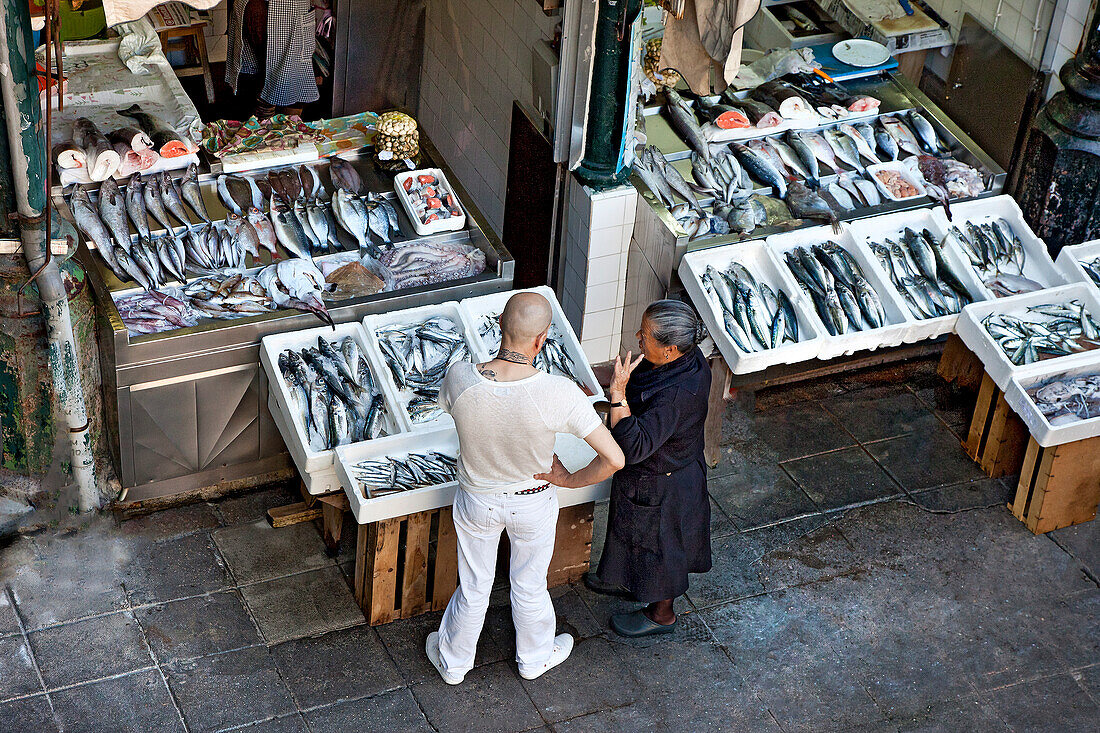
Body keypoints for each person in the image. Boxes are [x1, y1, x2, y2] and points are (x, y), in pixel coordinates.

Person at [426, 292, 625, 684]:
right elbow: (615, 459)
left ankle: (453, 663)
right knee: (529, 583)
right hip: (532, 501)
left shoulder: (460, 376)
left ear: (500, 324)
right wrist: (567, 479)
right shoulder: (559, 392)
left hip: (476, 499)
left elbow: (455, 409)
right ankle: (533, 658)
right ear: (542, 339)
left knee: (474, 585)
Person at [586, 299, 712, 637]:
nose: (638, 338)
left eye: (646, 336)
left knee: (660, 548)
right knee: (632, 534)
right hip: (652, 474)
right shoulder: (688, 357)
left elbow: (634, 445)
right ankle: (628, 581)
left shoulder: (677, 396)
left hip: (666, 482)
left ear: (670, 350)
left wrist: (617, 396)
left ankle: (661, 614)